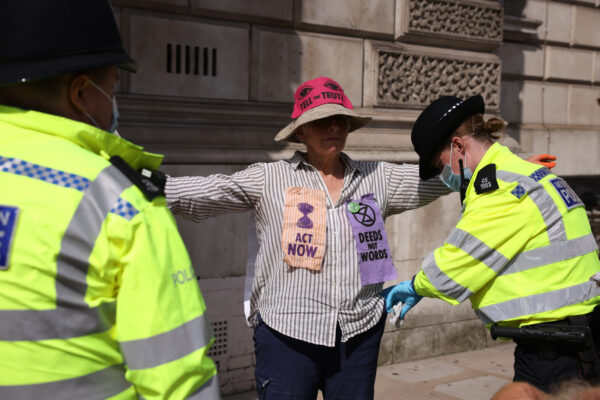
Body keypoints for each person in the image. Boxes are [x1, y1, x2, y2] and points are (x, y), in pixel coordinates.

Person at [166, 78, 553, 399]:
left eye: (341, 120)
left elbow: (445, 175)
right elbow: (211, 190)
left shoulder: (376, 177)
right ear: (301, 130)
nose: (334, 127)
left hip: (358, 334)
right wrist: (145, 186)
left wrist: (510, 168)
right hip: (287, 334)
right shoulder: (269, 179)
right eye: (322, 121)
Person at [0, 1, 220, 399]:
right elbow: (177, 382)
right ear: (82, 92)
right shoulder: (117, 201)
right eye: (114, 87)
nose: (114, 105)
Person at [383, 94, 600, 392]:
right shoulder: (524, 173)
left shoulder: (499, 189)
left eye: (440, 163)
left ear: (458, 146)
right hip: (576, 337)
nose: (444, 175)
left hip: (553, 350)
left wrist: (416, 285)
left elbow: (457, 263)